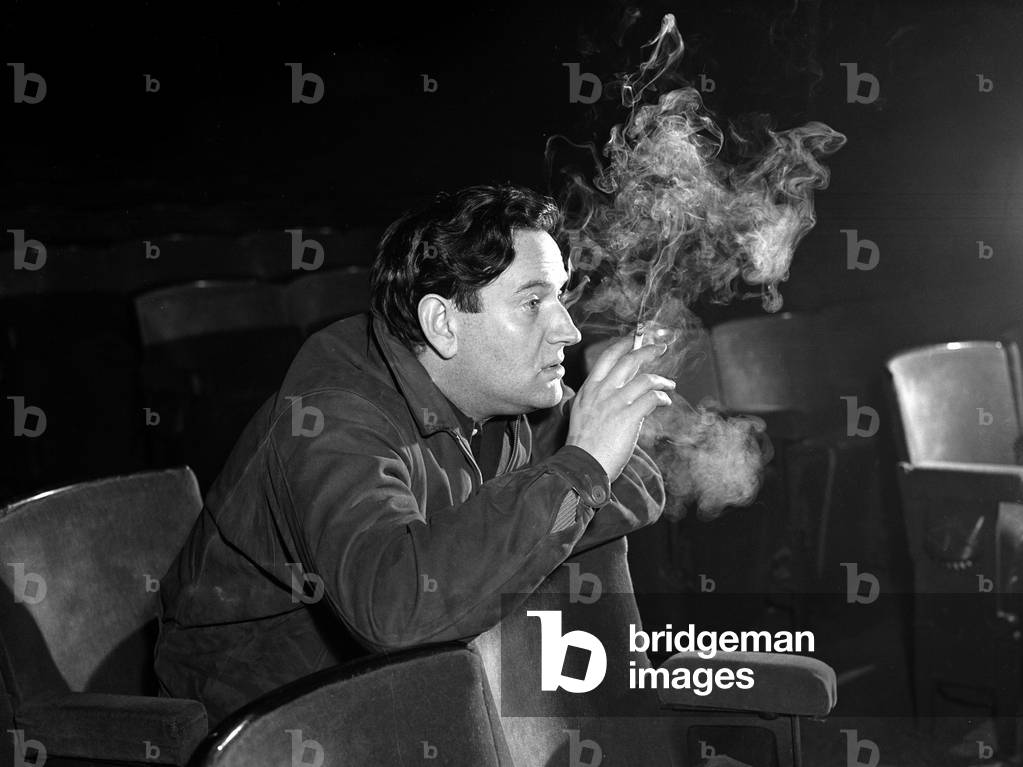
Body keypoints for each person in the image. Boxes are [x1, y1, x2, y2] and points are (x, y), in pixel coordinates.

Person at [153, 183, 676, 729]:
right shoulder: (333, 413)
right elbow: (395, 609)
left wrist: (570, 477)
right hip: (267, 714)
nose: (567, 330)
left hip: (399, 688)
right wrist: (576, 470)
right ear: (443, 324)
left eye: (561, 297)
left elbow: (637, 486)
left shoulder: (506, 389)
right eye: (532, 302)